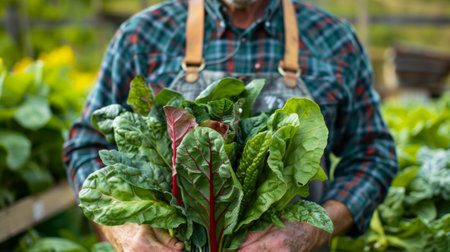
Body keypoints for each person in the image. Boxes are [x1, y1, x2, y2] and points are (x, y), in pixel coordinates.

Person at [63, 0, 398, 251]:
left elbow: (373, 155)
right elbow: (87, 143)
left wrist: (310, 230)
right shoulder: (144, 35)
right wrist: (123, 229)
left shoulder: (335, 41)